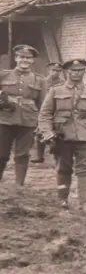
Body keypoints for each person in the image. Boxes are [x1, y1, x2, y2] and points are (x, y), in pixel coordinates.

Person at [38, 59, 86, 214]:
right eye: (73, 71)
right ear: (66, 72)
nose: (76, 74)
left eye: (80, 70)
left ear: (84, 72)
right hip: (63, 135)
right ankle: (63, 199)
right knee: (64, 168)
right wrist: (47, 132)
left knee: (85, 169)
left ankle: (85, 203)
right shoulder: (55, 91)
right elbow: (45, 114)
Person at [0, 45, 47, 185]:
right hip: (5, 119)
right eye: (22, 57)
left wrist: (41, 124)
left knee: (22, 154)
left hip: (28, 121)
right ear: (16, 58)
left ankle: (19, 184)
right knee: (1, 153)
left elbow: (43, 105)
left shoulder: (39, 80)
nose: (25, 60)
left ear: (33, 61)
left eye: (28, 58)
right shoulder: (3, 75)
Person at [32, 62, 65, 164]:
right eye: (53, 70)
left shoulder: (64, 83)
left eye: (58, 71)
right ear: (49, 71)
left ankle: (57, 158)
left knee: (58, 135)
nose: (56, 73)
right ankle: (39, 156)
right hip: (44, 110)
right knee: (40, 133)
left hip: (57, 111)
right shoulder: (42, 82)